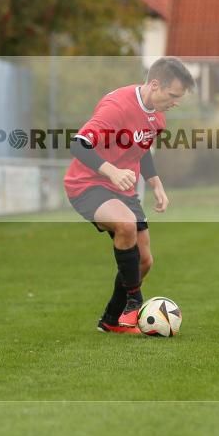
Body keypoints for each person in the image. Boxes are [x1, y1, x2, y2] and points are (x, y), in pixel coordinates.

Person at [64, 56, 194, 333]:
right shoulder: (117, 107)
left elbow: (141, 148)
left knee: (144, 261)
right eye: (173, 95)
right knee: (125, 225)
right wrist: (111, 171)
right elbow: (78, 144)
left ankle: (111, 320)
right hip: (87, 184)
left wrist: (156, 183)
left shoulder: (157, 117)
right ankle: (134, 303)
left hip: (122, 189)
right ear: (155, 85)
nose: (176, 102)